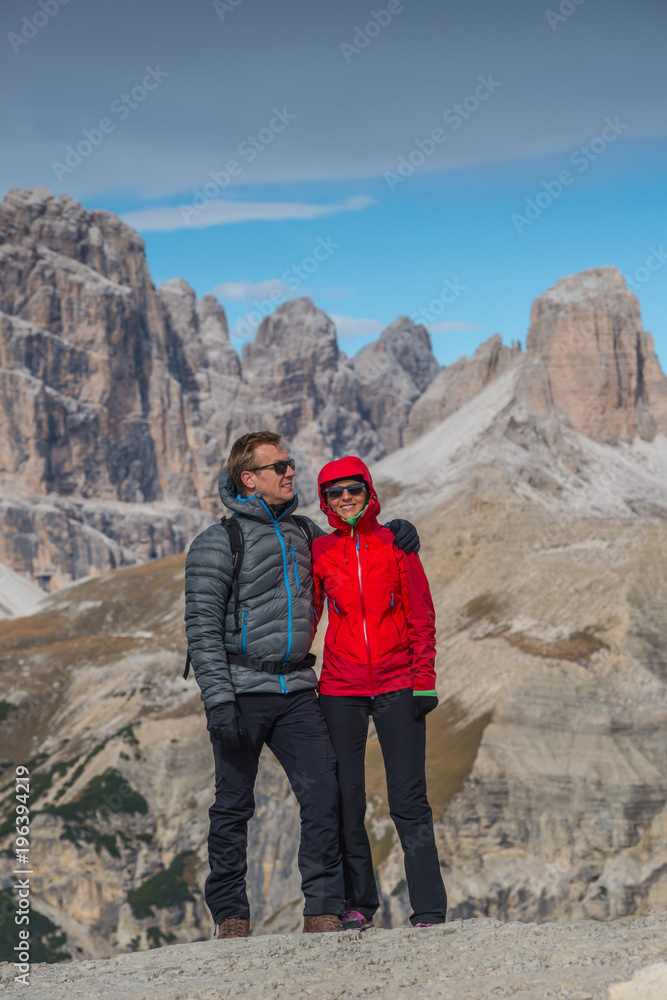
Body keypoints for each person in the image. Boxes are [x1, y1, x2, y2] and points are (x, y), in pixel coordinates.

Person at [184, 431, 419, 938]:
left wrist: (393, 531)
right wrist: (218, 699)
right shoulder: (215, 542)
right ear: (249, 479)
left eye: (291, 464)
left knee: (325, 794)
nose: (292, 472)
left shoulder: (307, 533)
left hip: (297, 689)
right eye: (280, 466)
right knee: (233, 805)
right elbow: (201, 627)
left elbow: (352, 547)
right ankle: (230, 916)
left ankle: (323, 910)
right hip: (241, 690)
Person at [312, 455, 447, 931]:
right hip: (339, 688)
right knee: (347, 798)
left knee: (410, 800)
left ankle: (429, 911)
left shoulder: (397, 543)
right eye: (335, 492)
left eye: (354, 488)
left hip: (397, 684)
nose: (345, 497)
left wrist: (424, 680)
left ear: (369, 491)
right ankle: (359, 906)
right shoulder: (321, 550)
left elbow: (421, 615)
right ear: (324, 500)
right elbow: (304, 613)